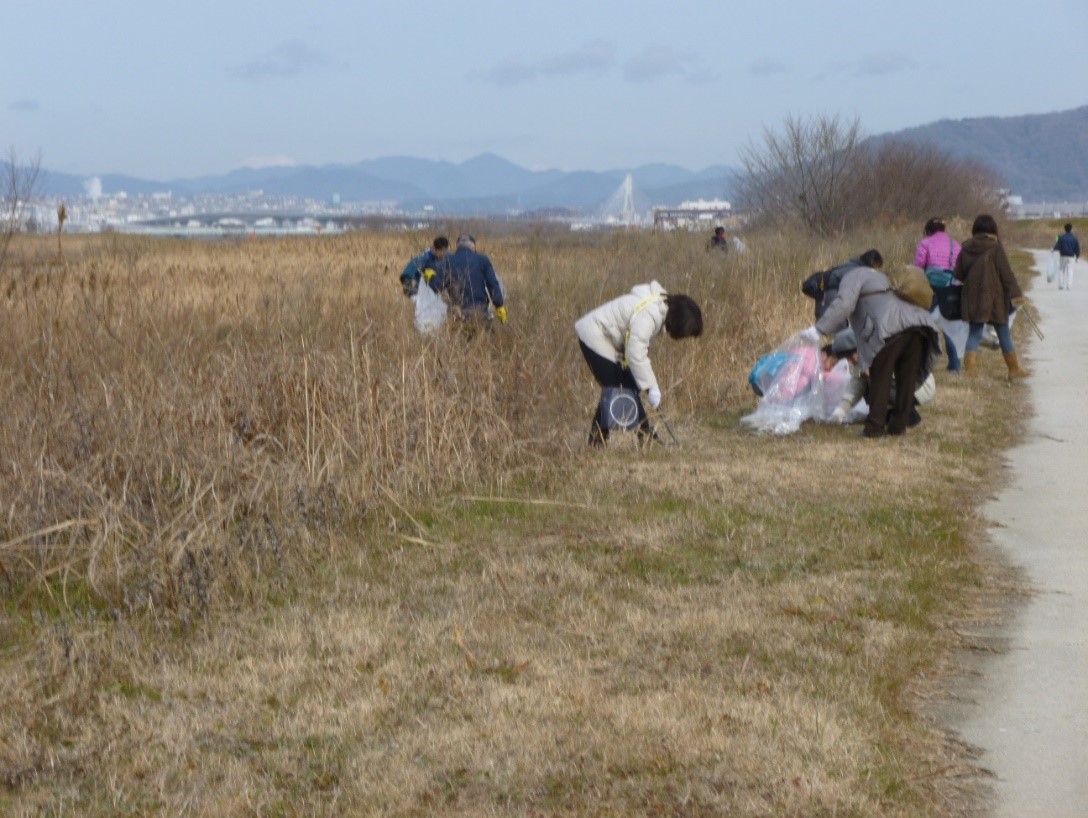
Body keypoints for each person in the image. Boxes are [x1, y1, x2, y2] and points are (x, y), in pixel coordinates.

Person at [803, 249, 940, 438]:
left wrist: (818, 329)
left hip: (889, 328)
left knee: (879, 377)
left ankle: (874, 429)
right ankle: (897, 427)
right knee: (905, 379)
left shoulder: (852, 276)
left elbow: (844, 304)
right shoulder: (882, 278)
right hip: (919, 325)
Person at [575, 282, 702, 446]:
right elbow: (636, 353)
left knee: (628, 384)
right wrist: (652, 387)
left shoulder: (658, 308)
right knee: (616, 387)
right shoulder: (651, 315)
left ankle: (645, 436)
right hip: (594, 335)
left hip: (607, 339)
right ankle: (598, 441)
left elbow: (635, 351)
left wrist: (648, 385)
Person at [953, 214, 1027, 379]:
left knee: (974, 333)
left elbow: (958, 274)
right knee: (1003, 332)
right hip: (995, 298)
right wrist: (1016, 295)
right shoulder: (996, 248)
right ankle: (1013, 369)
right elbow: (1006, 274)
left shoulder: (965, 247)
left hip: (972, 298)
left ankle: (970, 373)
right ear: (993, 229)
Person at [914, 217, 965, 371]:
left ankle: (922, 362)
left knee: (923, 324)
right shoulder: (954, 244)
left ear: (928, 230)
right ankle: (955, 365)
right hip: (950, 288)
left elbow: (918, 267)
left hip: (930, 288)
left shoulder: (925, 243)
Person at [429, 234, 507, 328]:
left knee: (458, 342)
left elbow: (436, 287)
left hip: (456, 315)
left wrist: (431, 277)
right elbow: (493, 285)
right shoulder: (483, 260)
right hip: (480, 313)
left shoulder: (447, 261)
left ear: (457, 247)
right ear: (473, 247)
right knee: (487, 340)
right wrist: (499, 305)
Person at [1054, 223, 1081, 290]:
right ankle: (1069, 286)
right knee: (1070, 271)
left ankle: (1061, 285)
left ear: (1064, 229)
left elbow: (1057, 246)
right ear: (1071, 229)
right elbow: (1077, 248)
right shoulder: (1074, 238)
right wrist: (1077, 256)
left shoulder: (1060, 237)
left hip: (1063, 256)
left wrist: (1054, 249)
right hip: (1071, 256)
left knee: (1061, 270)